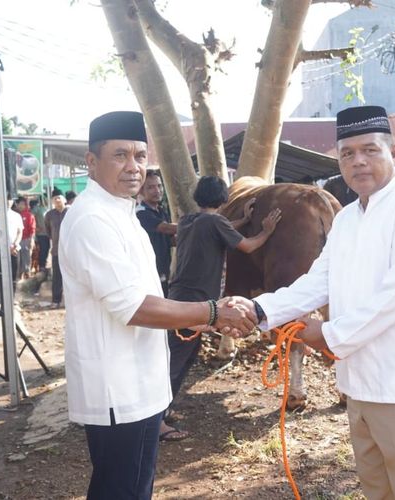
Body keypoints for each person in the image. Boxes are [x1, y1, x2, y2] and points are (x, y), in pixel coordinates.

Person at [226, 105, 395, 500]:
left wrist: (329, 335)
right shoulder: (349, 217)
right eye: (348, 153)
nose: (358, 161)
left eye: (370, 149)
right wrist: (260, 310)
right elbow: (317, 282)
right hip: (360, 383)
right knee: (377, 491)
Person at [59, 111, 255, 500]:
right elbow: (133, 308)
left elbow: (148, 295)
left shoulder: (123, 211)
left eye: (140, 156)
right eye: (120, 156)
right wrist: (212, 313)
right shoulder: (92, 219)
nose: (133, 167)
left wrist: (194, 320)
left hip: (141, 377)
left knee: (133, 487)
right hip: (118, 385)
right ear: (91, 161)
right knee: (122, 490)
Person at [162, 176, 282, 441]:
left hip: (178, 294)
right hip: (197, 300)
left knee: (184, 353)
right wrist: (266, 230)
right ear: (224, 198)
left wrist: (241, 221)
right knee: (177, 358)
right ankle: (156, 421)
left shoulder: (187, 221)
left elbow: (220, 229)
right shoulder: (215, 222)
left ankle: (163, 407)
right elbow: (247, 245)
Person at [136, 172, 176, 296]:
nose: (157, 190)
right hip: (149, 269)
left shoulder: (161, 210)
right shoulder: (141, 213)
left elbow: (171, 239)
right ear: (140, 191)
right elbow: (166, 228)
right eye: (151, 187)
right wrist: (199, 225)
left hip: (164, 266)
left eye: (159, 186)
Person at [44, 194, 68, 308]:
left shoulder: (71, 212)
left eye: (59, 197)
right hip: (57, 250)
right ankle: (56, 300)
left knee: (72, 276)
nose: (57, 200)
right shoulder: (50, 215)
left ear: (65, 200)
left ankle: (70, 301)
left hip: (71, 250)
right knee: (57, 276)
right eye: (55, 198)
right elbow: (48, 231)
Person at [16, 196, 35, 280]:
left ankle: (27, 275)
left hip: (26, 239)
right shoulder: (15, 215)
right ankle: (19, 276)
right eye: (20, 204)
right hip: (16, 240)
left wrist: (31, 240)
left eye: (23, 204)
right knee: (18, 259)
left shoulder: (29, 215)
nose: (21, 206)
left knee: (26, 257)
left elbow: (32, 228)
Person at [31, 198, 50, 272]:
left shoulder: (49, 208)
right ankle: (41, 266)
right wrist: (35, 227)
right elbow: (31, 216)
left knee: (47, 249)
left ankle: (44, 265)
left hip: (49, 234)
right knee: (42, 249)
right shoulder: (37, 208)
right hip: (41, 234)